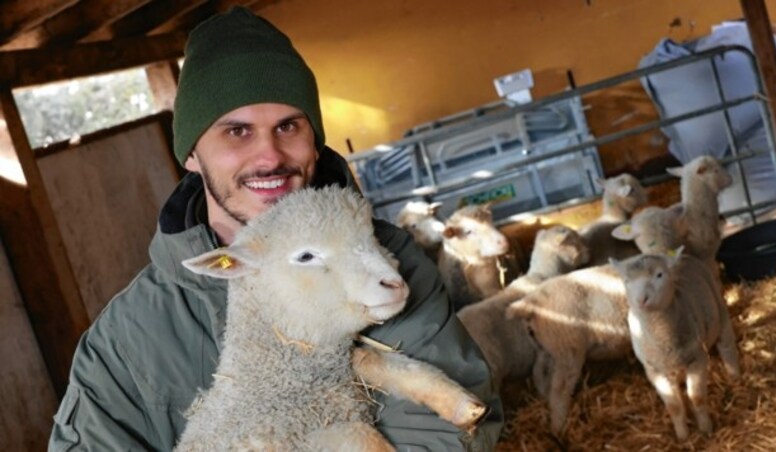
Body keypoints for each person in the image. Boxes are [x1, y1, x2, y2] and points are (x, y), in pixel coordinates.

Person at [48, 6, 503, 451]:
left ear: (315, 137)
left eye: (288, 126)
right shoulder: (128, 335)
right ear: (191, 154)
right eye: (237, 131)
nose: (269, 156)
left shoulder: (392, 263)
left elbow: (447, 433)